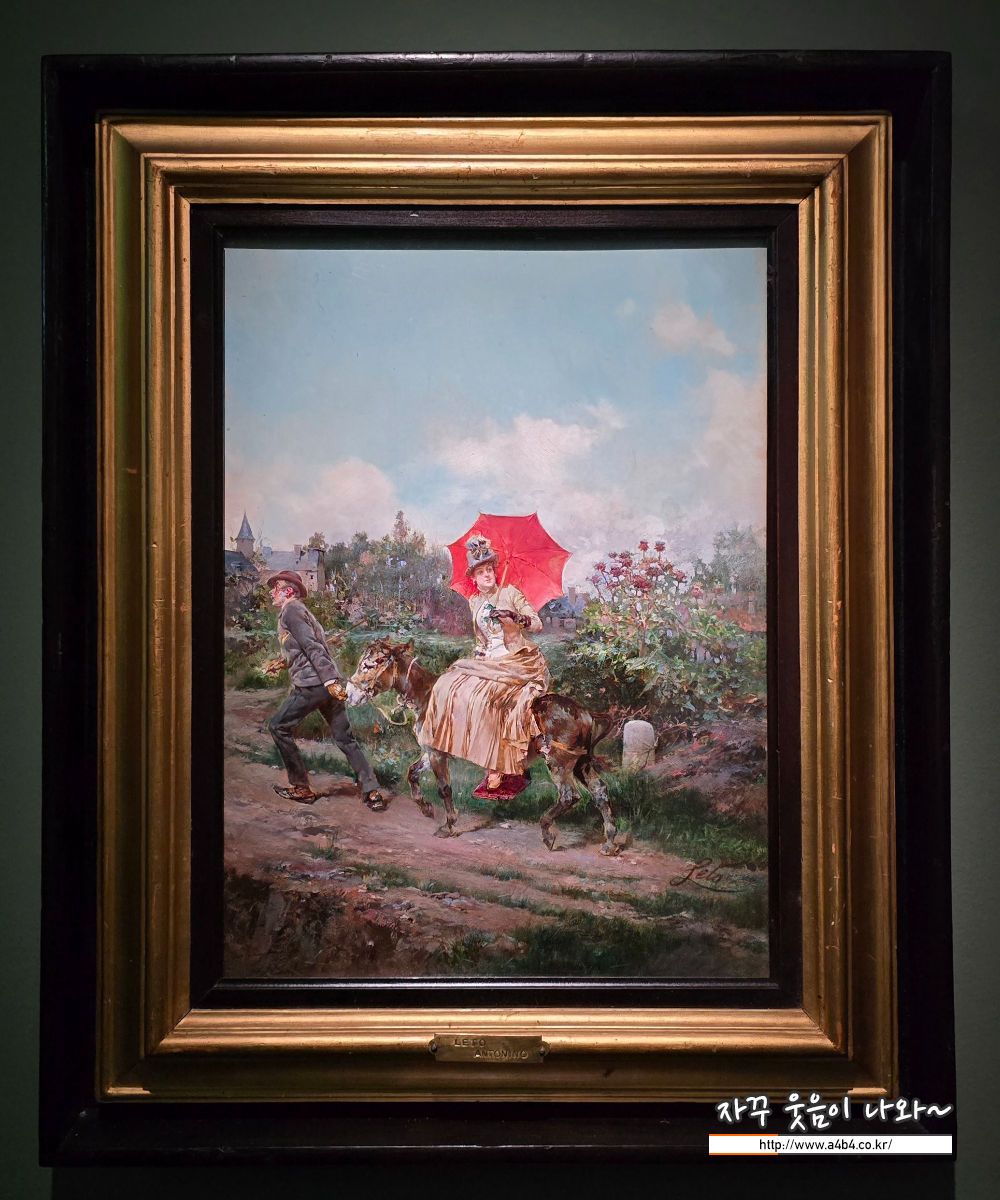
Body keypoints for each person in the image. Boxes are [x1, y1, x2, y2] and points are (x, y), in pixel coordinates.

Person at [418, 536, 549, 799]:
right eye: (481, 572)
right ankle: (444, 744)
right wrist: (480, 653)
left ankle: (497, 767)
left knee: (488, 699)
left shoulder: (510, 593)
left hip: (515, 661)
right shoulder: (475, 602)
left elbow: (537, 624)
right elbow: (482, 639)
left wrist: (515, 617)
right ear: (474, 579)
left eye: (490, 569)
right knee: (446, 685)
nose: (487, 575)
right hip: (486, 662)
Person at [264, 570, 387, 811]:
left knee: (277, 726)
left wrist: (329, 681)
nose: (271, 592)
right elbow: (305, 647)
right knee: (344, 737)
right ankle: (371, 790)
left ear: (288, 591)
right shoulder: (300, 610)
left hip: (312, 685)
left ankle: (301, 787)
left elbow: (312, 647)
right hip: (324, 684)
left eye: (275, 587)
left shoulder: (291, 610)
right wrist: (284, 662)